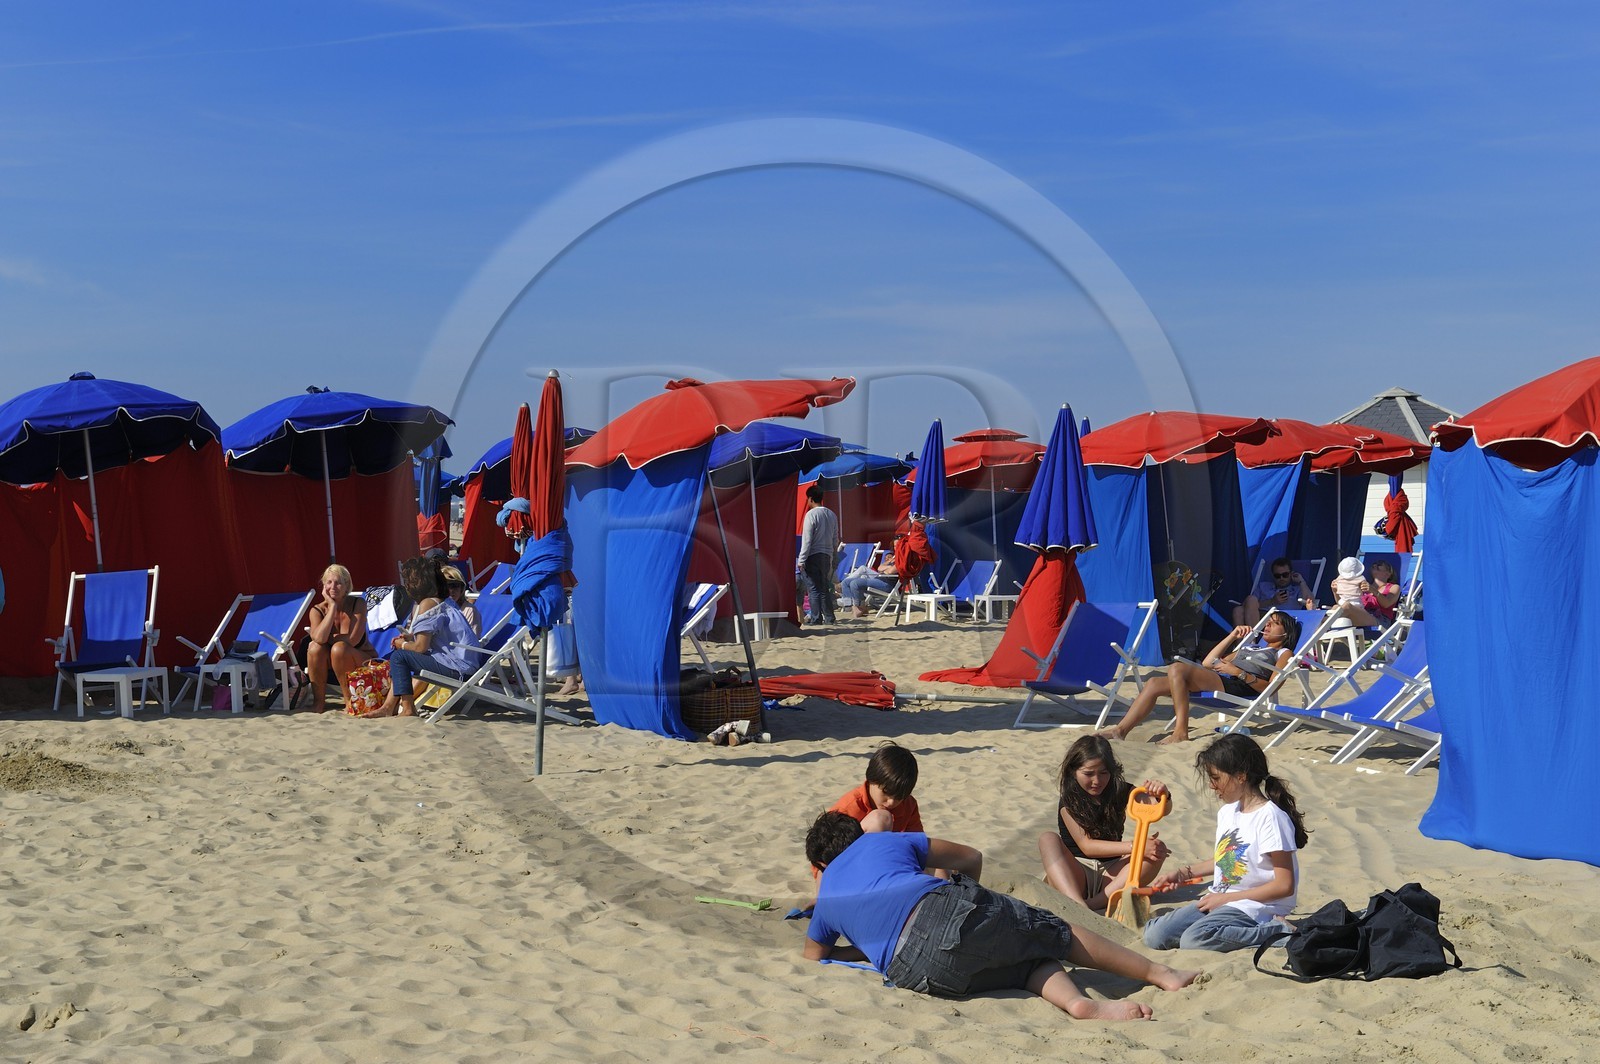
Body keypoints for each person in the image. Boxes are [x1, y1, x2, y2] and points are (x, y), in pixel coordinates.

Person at [803, 812, 1200, 1019]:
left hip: (914, 970)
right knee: (1055, 932)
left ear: (822, 863)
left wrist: (868, 949)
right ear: (857, 833)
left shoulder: (826, 902)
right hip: (946, 912)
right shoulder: (882, 842)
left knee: (1027, 967)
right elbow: (970, 858)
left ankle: (1079, 1004)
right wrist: (972, 895)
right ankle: (1159, 974)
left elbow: (816, 957)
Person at [1142, 733, 1309, 953]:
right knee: (1155, 935)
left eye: (1216, 778)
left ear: (1241, 776)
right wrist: (1183, 873)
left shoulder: (1271, 817)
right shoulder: (1228, 812)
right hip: (1222, 899)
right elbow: (1229, 859)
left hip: (1257, 906)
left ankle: (1275, 930)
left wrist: (1227, 899)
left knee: (1194, 940)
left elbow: (1284, 885)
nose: (1212, 786)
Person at [1099, 611, 1302, 744]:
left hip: (1238, 685)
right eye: (1266, 623)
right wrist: (1232, 636)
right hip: (1221, 677)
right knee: (1153, 683)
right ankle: (1120, 730)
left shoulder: (1283, 653)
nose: (1266, 627)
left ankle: (1181, 732)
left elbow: (1271, 687)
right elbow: (1209, 662)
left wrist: (1238, 672)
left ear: (1286, 633)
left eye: (1273, 624)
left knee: (1177, 669)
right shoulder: (1250, 646)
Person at [1038, 736, 1171, 911]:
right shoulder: (1070, 799)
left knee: (1156, 850)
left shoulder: (1120, 790)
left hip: (1112, 874)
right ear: (1073, 771)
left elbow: (1157, 807)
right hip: (1077, 872)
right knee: (1048, 839)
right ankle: (1076, 904)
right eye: (1088, 774)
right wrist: (1137, 846)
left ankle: (1094, 904)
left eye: (1104, 773)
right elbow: (1087, 846)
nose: (1097, 781)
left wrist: (1163, 795)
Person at [360, 556, 478, 718]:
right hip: (466, 667)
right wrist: (409, 638)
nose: (408, 585)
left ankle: (407, 708)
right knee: (402, 657)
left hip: (457, 669)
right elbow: (436, 637)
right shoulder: (446, 602)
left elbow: (420, 647)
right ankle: (389, 707)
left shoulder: (429, 603)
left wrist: (402, 644)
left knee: (399, 657)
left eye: (410, 581)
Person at [304, 563, 376, 714]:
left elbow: (354, 640)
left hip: (364, 661)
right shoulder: (317, 610)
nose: (333, 587)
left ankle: (349, 701)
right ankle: (319, 703)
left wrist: (330, 638)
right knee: (314, 647)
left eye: (338, 582)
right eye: (329, 582)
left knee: (339, 649)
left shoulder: (358, 604)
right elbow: (318, 639)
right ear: (323, 585)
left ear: (346, 585)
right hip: (334, 662)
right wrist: (332, 607)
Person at [829, 742, 924, 833]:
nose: (891, 802)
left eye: (899, 797)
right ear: (871, 779)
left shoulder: (908, 805)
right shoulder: (846, 810)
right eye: (886, 792)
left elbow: (917, 841)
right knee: (880, 819)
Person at [797, 483, 840, 626]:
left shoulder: (811, 515)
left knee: (813, 589)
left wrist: (801, 560)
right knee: (823, 588)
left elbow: (807, 540)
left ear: (810, 499)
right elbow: (835, 539)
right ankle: (829, 617)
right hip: (826, 555)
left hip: (813, 555)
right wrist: (834, 556)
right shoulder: (831, 514)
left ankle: (816, 618)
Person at [1234, 557, 1315, 626]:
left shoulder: (1297, 589)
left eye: (1285, 575)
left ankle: (1251, 640)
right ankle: (1245, 643)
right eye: (1277, 576)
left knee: (1240, 608)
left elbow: (1310, 602)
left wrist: (1302, 581)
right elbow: (1247, 604)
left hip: (1283, 621)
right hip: (1259, 617)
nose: (1281, 578)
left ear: (1291, 574)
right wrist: (1272, 601)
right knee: (1239, 609)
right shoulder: (1263, 586)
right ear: (1273, 575)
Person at [1327, 557, 1400, 628]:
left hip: (1380, 620)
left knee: (1347, 606)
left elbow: (1386, 604)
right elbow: (1341, 602)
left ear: (1388, 573)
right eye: (1374, 564)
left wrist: (1373, 590)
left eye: (1379, 564)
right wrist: (1335, 592)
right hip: (1361, 614)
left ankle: (1322, 624)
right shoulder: (1362, 585)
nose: (1375, 564)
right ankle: (1336, 636)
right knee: (1336, 607)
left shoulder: (1393, 587)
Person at [842, 549, 897, 619]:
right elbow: (880, 568)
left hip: (887, 584)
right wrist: (888, 565)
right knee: (845, 582)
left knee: (855, 583)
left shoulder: (900, 560)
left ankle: (860, 607)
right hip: (879, 579)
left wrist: (887, 568)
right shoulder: (891, 561)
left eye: (889, 557)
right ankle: (850, 606)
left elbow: (889, 572)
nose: (887, 559)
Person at [441, 564, 481, 638]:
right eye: (446, 586)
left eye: (455, 585)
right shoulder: (435, 608)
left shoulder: (469, 611)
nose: (451, 590)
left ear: (462, 588)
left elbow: (471, 643)